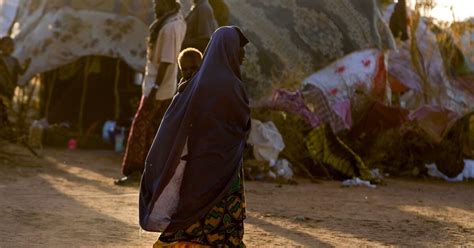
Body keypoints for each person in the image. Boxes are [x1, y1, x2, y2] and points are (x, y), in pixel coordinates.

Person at [139, 26, 250, 247]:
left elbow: (177, 120)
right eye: (240, 50)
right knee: (223, 212)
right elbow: (241, 124)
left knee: (191, 208)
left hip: (197, 164)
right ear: (229, 50)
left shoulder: (196, 83)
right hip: (223, 165)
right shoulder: (232, 85)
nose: (243, 55)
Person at [115, 0, 186, 185]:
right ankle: (150, 172)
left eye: (158, 4)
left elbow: (167, 61)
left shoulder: (169, 28)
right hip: (166, 86)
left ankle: (134, 170)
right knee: (154, 129)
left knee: (140, 126)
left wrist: (154, 87)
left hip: (158, 88)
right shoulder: (178, 22)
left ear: (167, 4)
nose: (155, 8)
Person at [0, 36, 30, 125]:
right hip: (0, 86)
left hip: (10, 87)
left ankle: (4, 120)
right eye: (6, 44)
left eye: (11, 44)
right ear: (0, 46)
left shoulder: (15, 61)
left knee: (7, 104)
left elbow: (21, 72)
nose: (9, 46)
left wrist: (27, 65)